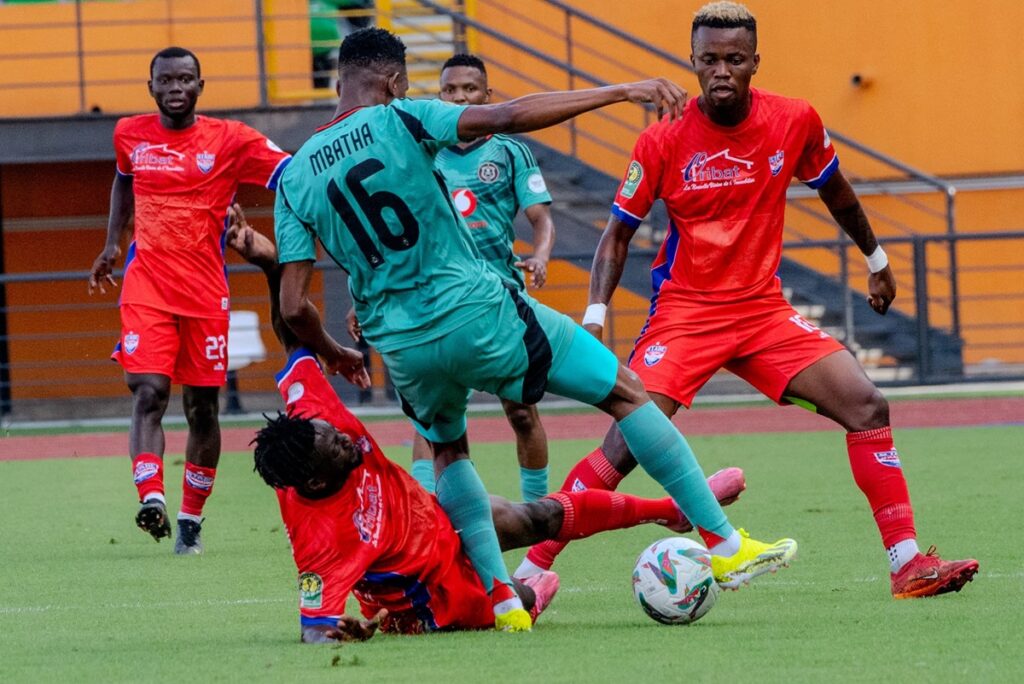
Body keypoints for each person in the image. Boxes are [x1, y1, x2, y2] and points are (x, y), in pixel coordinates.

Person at [273, 27, 796, 633]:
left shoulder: (291, 177)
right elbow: (512, 114)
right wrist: (622, 90)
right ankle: (727, 546)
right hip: (476, 311)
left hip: (401, 346)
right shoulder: (401, 118)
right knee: (626, 392)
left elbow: (292, 306)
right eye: (406, 82)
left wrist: (335, 351)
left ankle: (502, 601)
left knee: (447, 449)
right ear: (392, 81)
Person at [517, 2, 978, 600]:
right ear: (692, 61)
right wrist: (596, 317)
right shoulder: (661, 140)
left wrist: (877, 260)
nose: (722, 71)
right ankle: (527, 572)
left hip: (762, 312)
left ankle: (908, 562)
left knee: (867, 405)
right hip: (685, 313)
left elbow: (836, 191)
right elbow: (616, 236)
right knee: (626, 443)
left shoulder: (795, 120)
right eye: (709, 59)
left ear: (755, 62)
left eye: (735, 59)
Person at [225, 209, 747, 642]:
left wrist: (272, 264)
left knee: (534, 516)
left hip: (427, 513)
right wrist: (354, 632)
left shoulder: (314, 416)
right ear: (315, 481)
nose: (345, 436)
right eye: (336, 448)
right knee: (524, 599)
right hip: (434, 595)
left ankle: (670, 511)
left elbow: (293, 338)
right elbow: (314, 628)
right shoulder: (319, 539)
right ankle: (532, 592)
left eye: (332, 431)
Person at [87, 46, 291, 555]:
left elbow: (291, 173)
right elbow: (124, 178)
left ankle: (190, 522)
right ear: (150, 86)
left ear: (201, 85)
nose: (175, 88)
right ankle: (150, 495)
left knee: (203, 408)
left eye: (186, 79)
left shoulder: (231, 140)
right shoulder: (129, 134)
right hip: (147, 283)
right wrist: (112, 242)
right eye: (166, 80)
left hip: (204, 291)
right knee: (149, 392)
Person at [346, 53, 557, 501]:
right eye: (450, 90)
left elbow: (541, 217)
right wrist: (362, 297)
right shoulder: (424, 149)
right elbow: (389, 232)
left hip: (500, 293)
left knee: (521, 412)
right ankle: (425, 512)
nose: (459, 97)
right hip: (434, 294)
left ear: (486, 96)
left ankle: (538, 510)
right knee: (432, 416)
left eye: (469, 90)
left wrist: (539, 256)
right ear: (439, 95)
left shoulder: (509, 151)